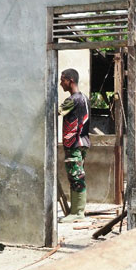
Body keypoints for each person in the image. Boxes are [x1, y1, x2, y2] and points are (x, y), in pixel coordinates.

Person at [58, 68, 91, 222]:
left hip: (74, 143)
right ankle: (76, 210)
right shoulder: (85, 98)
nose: (60, 83)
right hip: (83, 141)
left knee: (76, 175)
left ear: (70, 80)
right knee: (77, 174)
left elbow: (55, 111)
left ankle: (77, 213)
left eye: (62, 79)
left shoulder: (73, 99)